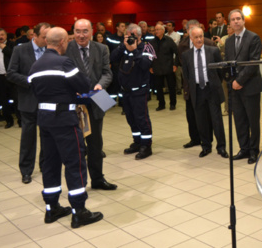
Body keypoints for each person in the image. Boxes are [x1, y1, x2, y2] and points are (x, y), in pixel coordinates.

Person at [27, 27, 103, 228]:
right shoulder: (64, 62)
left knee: (50, 163)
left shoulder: (35, 65)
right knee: (75, 163)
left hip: (44, 120)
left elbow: (34, 89)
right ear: (62, 42)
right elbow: (84, 85)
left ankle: (52, 208)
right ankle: (80, 211)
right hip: (65, 120)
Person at [66, 19, 118, 189]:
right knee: (76, 145)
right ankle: (78, 183)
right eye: (78, 31)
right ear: (73, 31)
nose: (81, 35)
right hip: (74, 104)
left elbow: (107, 73)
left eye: (85, 31)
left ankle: (97, 179)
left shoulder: (101, 48)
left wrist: (100, 85)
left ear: (92, 31)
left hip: (96, 100)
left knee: (96, 144)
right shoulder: (66, 49)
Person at [7, 22, 51, 184]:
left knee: (47, 136)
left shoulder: (51, 50)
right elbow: (11, 73)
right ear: (34, 36)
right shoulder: (20, 50)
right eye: (44, 37)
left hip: (48, 102)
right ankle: (26, 170)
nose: (48, 40)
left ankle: (45, 166)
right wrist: (29, 81)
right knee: (28, 138)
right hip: (28, 101)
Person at [181, 26, 228, 158]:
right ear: (191, 38)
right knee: (201, 121)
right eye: (196, 37)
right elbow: (186, 75)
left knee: (216, 120)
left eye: (201, 36)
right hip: (197, 91)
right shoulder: (186, 55)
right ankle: (206, 146)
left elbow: (220, 72)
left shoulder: (213, 51)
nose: (199, 39)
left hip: (212, 90)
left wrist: (213, 83)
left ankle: (221, 147)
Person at [110, 24, 155, 160]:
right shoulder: (124, 47)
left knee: (142, 119)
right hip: (126, 91)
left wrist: (135, 50)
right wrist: (123, 46)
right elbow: (112, 58)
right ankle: (137, 142)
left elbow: (146, 65)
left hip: (139, 91)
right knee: (131, 119)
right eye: (128, 35)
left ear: (140, 36)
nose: (130, 38)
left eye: (133, 36)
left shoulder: (147, 47)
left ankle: (146, 145)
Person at [225, 9, 262, 164]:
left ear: (244, 20)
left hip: (250, 87)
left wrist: (239, 81)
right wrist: (231, 81)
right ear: (230, 23)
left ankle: (254, 151)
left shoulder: (253, 38)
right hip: (234, 88)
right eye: (233, 19)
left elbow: (253, 63)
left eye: (238, 18)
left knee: (253, 121)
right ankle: (244, 148)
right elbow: (228, 64)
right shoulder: (228, 41)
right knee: (239, 120)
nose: (236, 21)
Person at [176, 20, 216, 149]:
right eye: (192, 30)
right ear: (187, 32)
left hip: (206, 85)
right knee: (191, 115)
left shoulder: (209, 43)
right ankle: (194, 139)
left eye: (197, 30)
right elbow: (183, 66)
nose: (196, 34)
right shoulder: (182, 46)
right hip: (190, 85)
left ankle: (207, 139)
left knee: (206, 115)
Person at [150, 23, 178, 111]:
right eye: (155, 30)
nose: (156, 31)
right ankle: (161, 104)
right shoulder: (151, 42)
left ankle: (172, 103)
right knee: (158, 87)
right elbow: (148, 55)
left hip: (169, 67)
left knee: (171, 87)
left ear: (163, 31)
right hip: (157, 68)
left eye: (158, 29)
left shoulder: (169, 40)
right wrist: (150, 66)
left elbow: (177, 53)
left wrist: (175, 64)